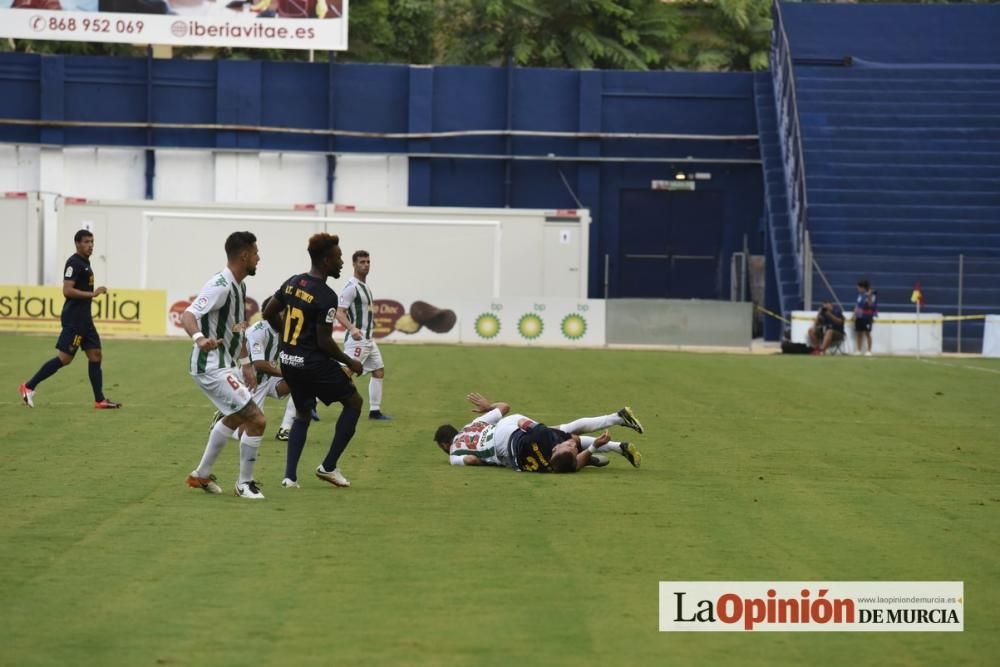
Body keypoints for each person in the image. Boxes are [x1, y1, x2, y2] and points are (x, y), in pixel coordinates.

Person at [262, 233, 364, 489]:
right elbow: (324, 342)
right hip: (312, 364)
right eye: (339, 258)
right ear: (327, 260)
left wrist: (287, 341)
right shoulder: (327, 296)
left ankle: (289, 477)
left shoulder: (292, 282)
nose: (342, 263)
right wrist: (349, 361)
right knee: (354, 402)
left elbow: (268, 312)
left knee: (303, 413)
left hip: (289, 361)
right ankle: (328, 467)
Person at [182, 231, 268, 500]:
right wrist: (199, 338)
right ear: (244, 255)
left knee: (240, 415)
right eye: (255, 253)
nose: (258, 258)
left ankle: (201, 475)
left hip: (225, 364)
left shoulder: (239, 286)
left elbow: (237, 327)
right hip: (210, 366)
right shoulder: (219, 284)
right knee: (257, 419)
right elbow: (189, 314)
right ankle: (244, 484)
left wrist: (246, 363)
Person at [19, 229, 122, 410]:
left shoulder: (85, 263)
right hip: (75, 320)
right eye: (86, 242)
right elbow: (67, 290)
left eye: (92, 242)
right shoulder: (73, 263)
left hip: (85, 320)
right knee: (65, 359)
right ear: (77, 244)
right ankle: (28, 386)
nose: (90, 245)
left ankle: (100, 400)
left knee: (95, 354)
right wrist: (93, 293)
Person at [433, 393, 645, 473]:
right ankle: (618, 440)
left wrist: (488, 461)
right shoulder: (472, 425)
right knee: (564, 432)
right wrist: (489, 407)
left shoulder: (453, 453)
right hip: (509, 425)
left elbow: (470, 460)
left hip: (506, 447)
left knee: (569, 436)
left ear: (444, 445)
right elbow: (505, 406)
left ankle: (615, 423)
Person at [335, 250, 391, 421]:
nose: (365, 265)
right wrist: (352, 328)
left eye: (368, 262)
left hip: (368, 339)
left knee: (378, 370)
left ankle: (375, 411)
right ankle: (311, 402)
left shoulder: (364, 286)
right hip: (358, 341)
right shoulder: (351, 287)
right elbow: (339, 312)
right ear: (354, 264)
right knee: (344, 374)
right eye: (362, 262)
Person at [854, 279, 877, 356]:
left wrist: (869, 296)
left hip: (867, 316)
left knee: (867, 333)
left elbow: (871, 305)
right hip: (859, 316)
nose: (858, 289)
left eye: (859, 288)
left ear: (863, 287)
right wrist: (855, 313)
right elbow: (857, 305)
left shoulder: (871, 295)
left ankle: (869, 350)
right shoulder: (859, 295)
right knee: (859, 333)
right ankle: (858, 350)